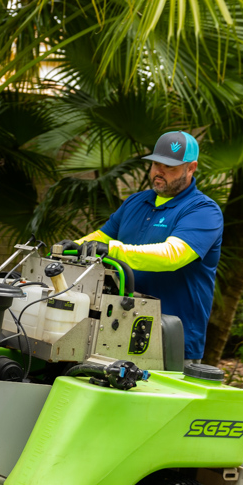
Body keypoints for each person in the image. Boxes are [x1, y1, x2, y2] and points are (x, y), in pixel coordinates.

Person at [77, 131, 223, 366]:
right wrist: (73, 246)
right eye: (156, 164)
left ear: (191, 168)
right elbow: (102, 236)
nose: (159, 172)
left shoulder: (203, 210)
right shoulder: (136, 201)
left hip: (172, 339)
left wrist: (112, 250)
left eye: (170, 167)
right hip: (118, 330)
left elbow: (172, 256)